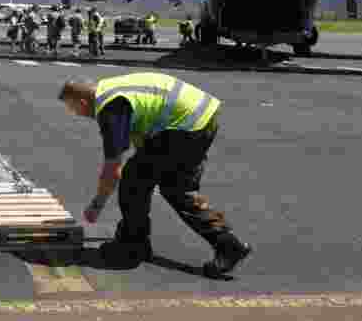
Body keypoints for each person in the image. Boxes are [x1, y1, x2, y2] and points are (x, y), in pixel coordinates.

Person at [59, 75, 251, 277]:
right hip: (203, 118)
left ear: (82, 102)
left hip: (185, 126)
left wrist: (97, 204)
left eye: (73, 109)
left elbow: (112, 168)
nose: (76, 114)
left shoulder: (112, 108)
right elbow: (144, 137)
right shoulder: (111, 89)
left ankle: (132, 247)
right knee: (176, 189)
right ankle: (228, 245)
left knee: (133, 181)